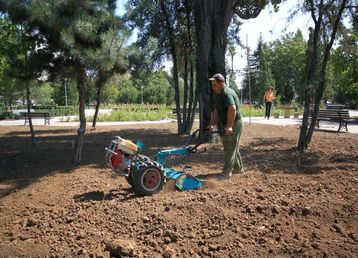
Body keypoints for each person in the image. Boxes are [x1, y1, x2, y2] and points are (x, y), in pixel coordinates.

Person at [208, 73, 244, 180]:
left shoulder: (226, 93)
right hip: (227, 123)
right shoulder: (218, 94)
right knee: (232, 147)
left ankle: (226, 173)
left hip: (234, 123)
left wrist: (229, 126)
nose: (212, 87)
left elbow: (232, 109)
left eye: (214, 84)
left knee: (230, 147)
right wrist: (212, 123)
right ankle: (238, 168)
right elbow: (216, 110)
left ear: (221, 83)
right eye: (212, 84)